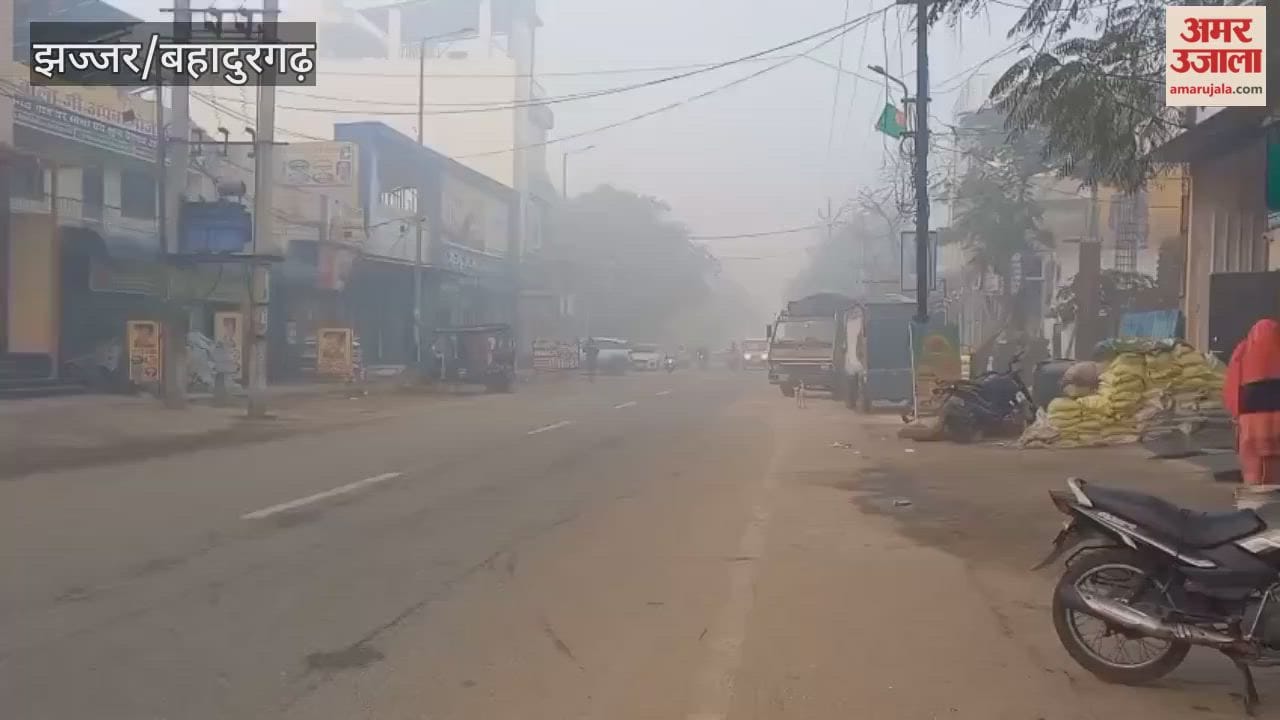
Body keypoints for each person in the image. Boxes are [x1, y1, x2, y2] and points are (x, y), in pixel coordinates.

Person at [1225, 319, 1280, 509]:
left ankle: (1254, 512)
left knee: (1255, 473)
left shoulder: (1242, 351)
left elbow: (1232, 388)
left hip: (1251, 425)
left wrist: (1235, 414)